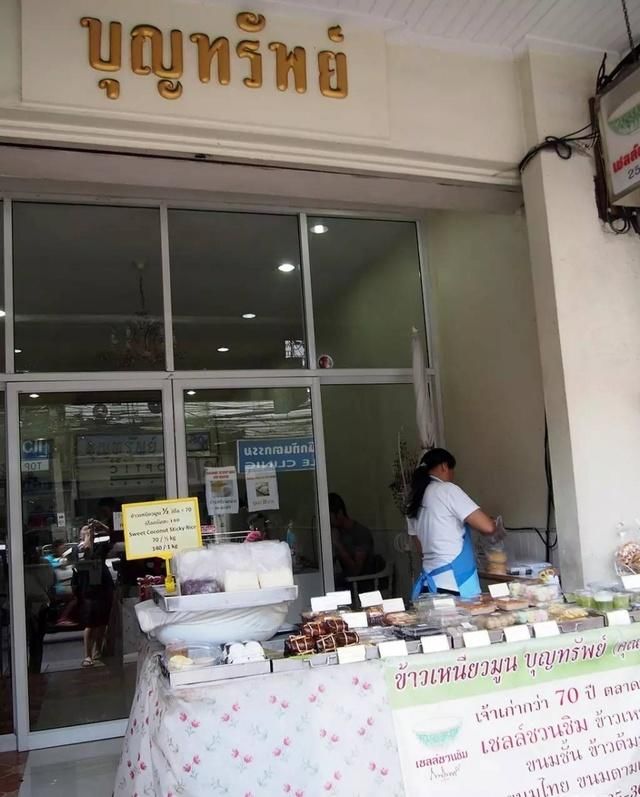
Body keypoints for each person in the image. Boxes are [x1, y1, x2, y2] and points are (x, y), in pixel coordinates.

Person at [406, 448, 498, 599]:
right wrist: (492, 522)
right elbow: (488, 527)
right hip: (453, 582)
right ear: (444, 466)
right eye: (452, 470)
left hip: (429, 583)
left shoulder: (414, 500)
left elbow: (420, 549)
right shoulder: (447, 490)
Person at [72, 525, 114, 668]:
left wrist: (99, 525)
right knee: (90, 624)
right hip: (88, 590)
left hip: (103, 588)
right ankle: (87, 655)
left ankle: (98, 651)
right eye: (85, 532)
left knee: (102, 622)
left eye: (90, 532)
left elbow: (113, 535)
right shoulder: (77, 549)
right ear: (80, 535)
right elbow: (84, 558)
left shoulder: (100, 547)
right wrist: (87, 539)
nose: (89, 533)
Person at [329, 493, 381, 588]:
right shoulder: (338, 532)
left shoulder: (361, 533)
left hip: (362, 583)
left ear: (339, 513)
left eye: (330, 517)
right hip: (346, 580)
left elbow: (356, 570)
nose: (328, 521)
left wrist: (338, 544)